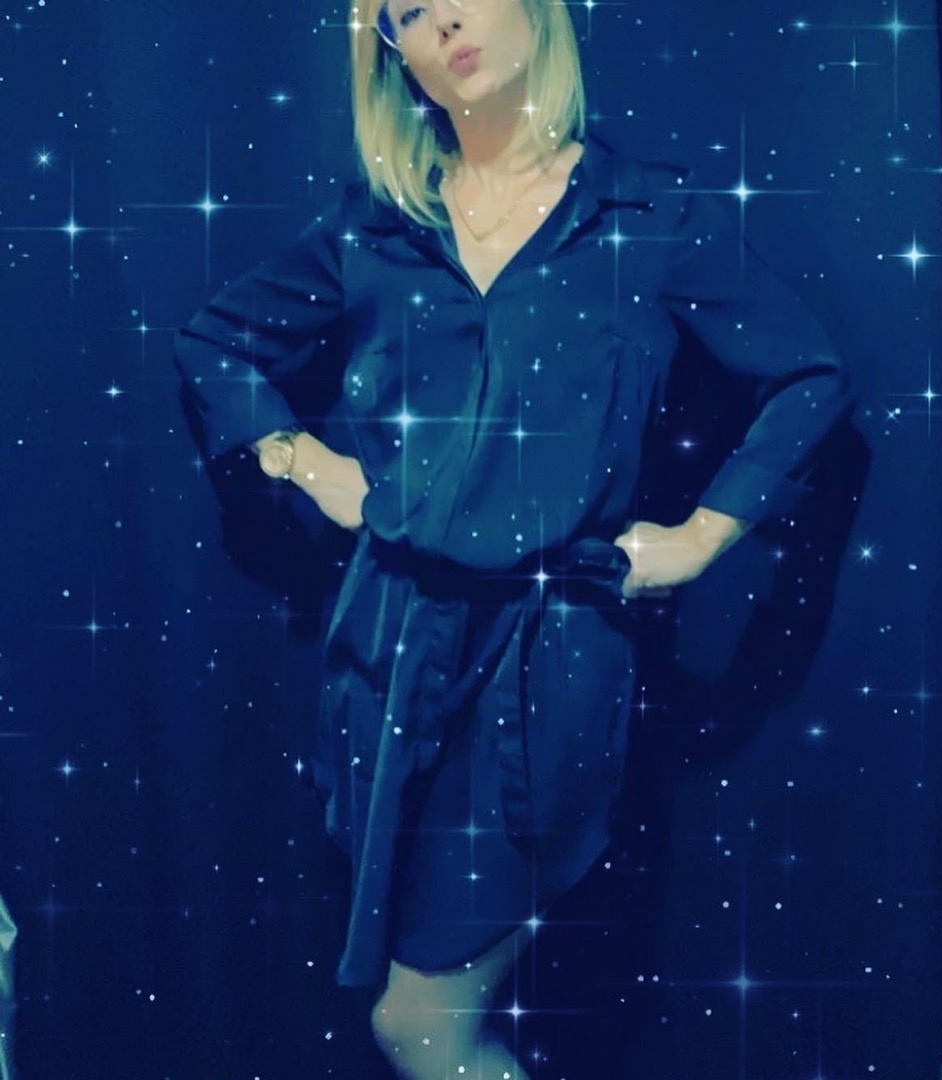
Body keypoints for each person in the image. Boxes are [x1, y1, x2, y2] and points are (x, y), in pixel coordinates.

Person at [174, 0, 853, 1076]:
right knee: (406, 1010)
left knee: (418, 1022)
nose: (444, 19)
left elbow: (809, 378)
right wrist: (299, 460)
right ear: (394, 59)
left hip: (551, 658)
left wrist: (698, 540)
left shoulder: (646, 213)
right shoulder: (376, 225)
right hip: (389, 649)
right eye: (406, 13)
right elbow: (216, 342)